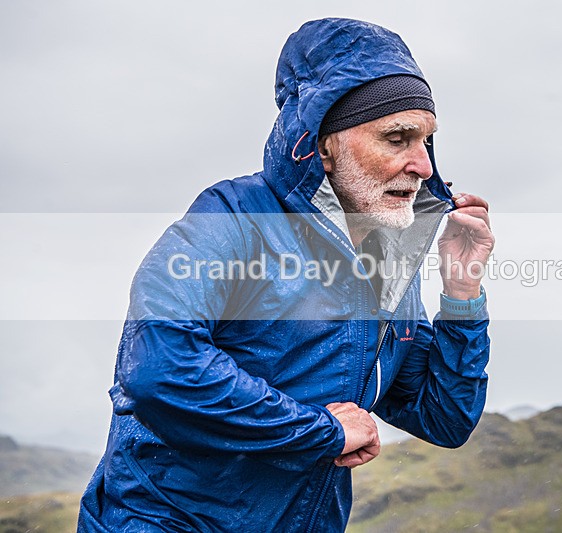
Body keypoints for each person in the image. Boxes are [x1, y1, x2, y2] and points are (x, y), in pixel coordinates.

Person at [78, 17, 493, 532]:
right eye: (396, 138)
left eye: (426, 140)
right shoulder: (230, 219)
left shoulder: (388, 264)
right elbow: (157, 368)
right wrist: (322, 431)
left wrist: (461, 291)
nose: (423, 165)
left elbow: (443, 419)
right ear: (321, 144)